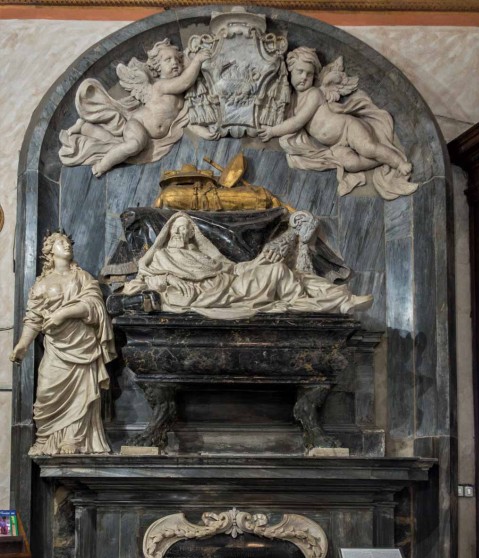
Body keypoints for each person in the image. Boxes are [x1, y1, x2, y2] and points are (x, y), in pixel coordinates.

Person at [123, 211, 373, 319]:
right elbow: (142, 282)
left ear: (192, 234)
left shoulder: (204, 256)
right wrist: (166, 280)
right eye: (177, 229)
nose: (180, 233)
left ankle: (340, 298)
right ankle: (323, 304)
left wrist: (257, 262)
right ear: (169, 233)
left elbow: (231, 269)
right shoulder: (160, 257)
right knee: (280, 272)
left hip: (232, 285)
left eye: (186, 229)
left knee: (282, 271)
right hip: (219, 296)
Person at [258, 47, 417, 199]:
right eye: (300, 72)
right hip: (336, 144)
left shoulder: (313, 94)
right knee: (350, 164)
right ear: (290, 71)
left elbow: (298, 122)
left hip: (347, 128)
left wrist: (273, 131)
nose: (304, 77)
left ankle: (398, 162)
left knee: (367, 148)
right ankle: (383, 158)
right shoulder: (292, 100)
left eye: (309, 74)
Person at [9, 233, 116, 455]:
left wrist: (64, 313)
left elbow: (94, 306)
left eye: (68, 243)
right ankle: (45, 438)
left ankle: (73, 438)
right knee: (46, 392)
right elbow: (34, 318)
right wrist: (22, 345)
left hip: (82, 345)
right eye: (60, 243)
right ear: (49, 251)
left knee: (81, 394)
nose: (66, 245)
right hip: (56, 348)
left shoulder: (83, 277)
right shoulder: (42, 283)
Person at [59, 40, 210, 176]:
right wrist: (197, 61)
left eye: (177, 59)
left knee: (114, 143)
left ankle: (85, 128)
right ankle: (103, 165)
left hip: (150, 134)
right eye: (168, 60)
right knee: (134, 145)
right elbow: (184, 82)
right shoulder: (160, 86)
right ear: (157, 67)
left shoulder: (181, 93)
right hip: (138, 124)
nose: (174, 63)